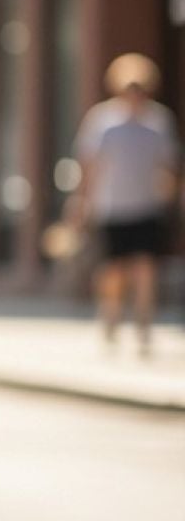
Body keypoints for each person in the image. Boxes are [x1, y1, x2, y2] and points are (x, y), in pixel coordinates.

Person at [70, 53, 181, 355]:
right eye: (130, 88)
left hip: (146, 206)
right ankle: (111, 318)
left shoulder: (159, 122)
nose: (135, 95)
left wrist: (170, 195)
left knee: (145, 268)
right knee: (114, 271)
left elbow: (170, 165)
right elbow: (90, 166)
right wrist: (81, 204)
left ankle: (144, 328)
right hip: (112, 207)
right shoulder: (103, 122)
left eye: (140, 88)